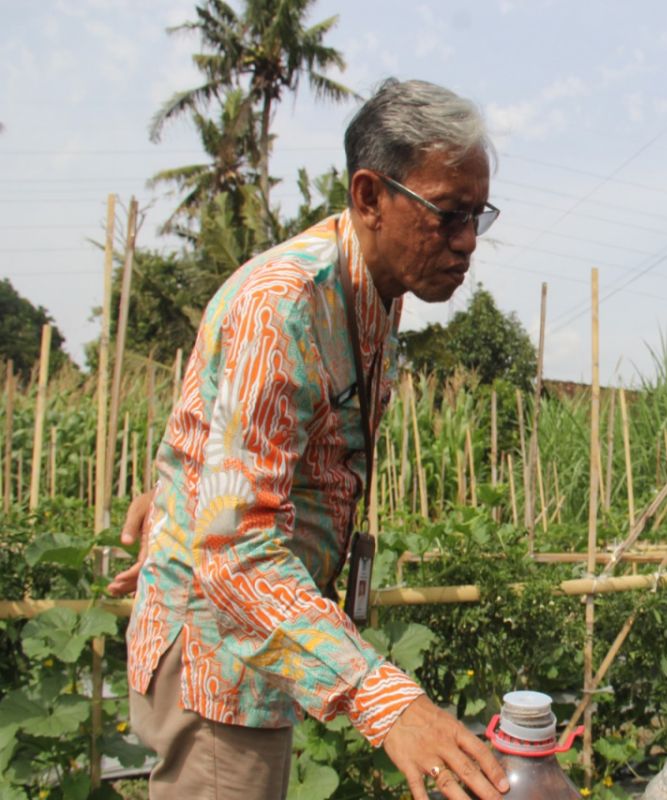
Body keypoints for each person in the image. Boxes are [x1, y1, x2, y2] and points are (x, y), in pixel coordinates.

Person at [107, 79, 509, 800]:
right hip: (217, 655)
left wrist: (171, 498)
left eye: (478, 215)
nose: (468, 242)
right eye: (448, 215)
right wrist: (391, 705)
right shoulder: (283, 306)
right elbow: (233, 548)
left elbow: (213, 424)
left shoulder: (375, 301)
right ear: (368, 196)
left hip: (257, 644)